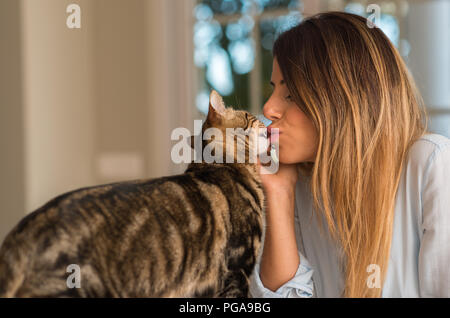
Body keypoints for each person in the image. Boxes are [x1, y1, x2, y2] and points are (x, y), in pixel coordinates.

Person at [251, 11, 450, 298]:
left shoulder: (432, 165)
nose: (269, 109)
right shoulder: (297, 185)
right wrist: (278, 194)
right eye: (274, 90)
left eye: (290, 94)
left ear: (342, 98)